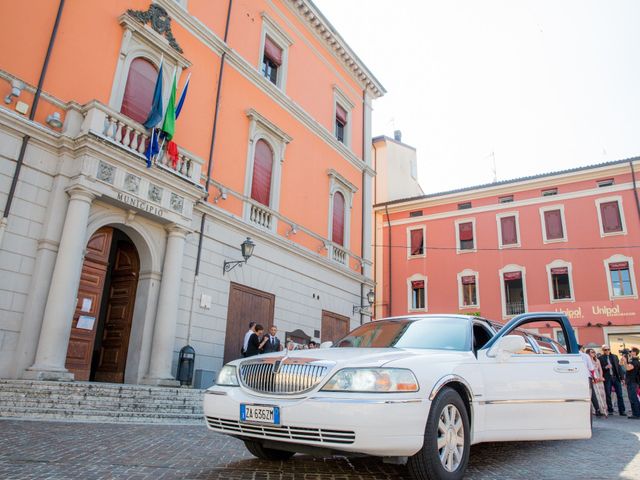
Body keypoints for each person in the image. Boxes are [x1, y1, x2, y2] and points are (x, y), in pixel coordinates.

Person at [599, 344, 626, 416]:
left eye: (608, 349)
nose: (607, 351)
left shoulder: (614, 356)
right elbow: (600, 369)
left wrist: (622, 378)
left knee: (620, 394)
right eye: (605, 350)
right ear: (603, 350)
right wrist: (606, 367)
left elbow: (619, 367)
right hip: (607, 378)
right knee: (608, 394)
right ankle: (610, 410)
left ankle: (622, 411)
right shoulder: (601, 358)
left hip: (615, 377)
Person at [579, 344, 603, 416]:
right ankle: (597, 410)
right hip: (586, 377)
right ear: (581, 348)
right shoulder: (585, 356)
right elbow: (591, 369)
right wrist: (594, 377)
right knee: (592, 394)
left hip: (577, 378)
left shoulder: (571, 355)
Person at [620, 347, 640, 419]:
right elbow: (620, 364)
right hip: (631, 382)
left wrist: (625, 361)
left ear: (634, 352)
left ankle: (637, 414)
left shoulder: (635, 361)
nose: (629, 352)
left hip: (633, 382)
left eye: (630, 351)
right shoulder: (631, 360)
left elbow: (628, 368)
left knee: (633, 398)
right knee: (632, 398)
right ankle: (635, 413)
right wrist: (623, 358)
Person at [587, 349, 608, 418]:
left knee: (602, 394)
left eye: (594, 352)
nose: (593, 353)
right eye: (592, 352)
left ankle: (603, 409)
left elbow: (600, 369)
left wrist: (601, 377)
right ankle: (596, 409)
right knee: (595, 394)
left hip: (598, 376)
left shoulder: (597, 360)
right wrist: (593, 378)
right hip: (593, 377)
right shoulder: (588, 360)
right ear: (588, 353)